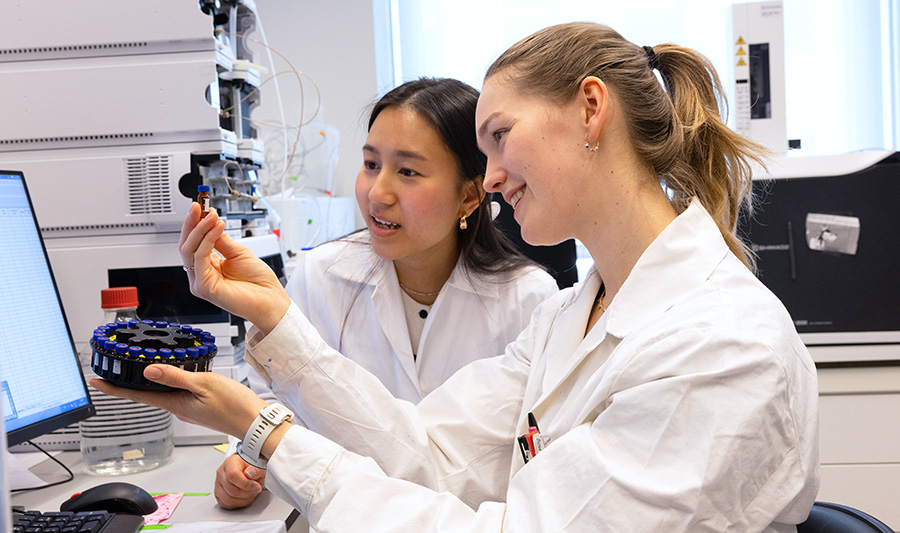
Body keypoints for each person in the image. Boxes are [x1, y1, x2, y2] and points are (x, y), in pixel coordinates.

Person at [94, 22, 820, 531]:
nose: (493, 177)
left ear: (591, 109)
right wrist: (281, 325)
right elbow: (429, 453)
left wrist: (263, 428)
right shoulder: (576, 313)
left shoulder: (719, 346)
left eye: (499, 137)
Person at [214, 77, 558, 509]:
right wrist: (243, 462)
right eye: (371, 164)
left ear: (469, 196)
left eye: (408, 171)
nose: (378, 193)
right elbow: (270, 397)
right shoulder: (323, 274)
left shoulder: (528, 299)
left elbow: (526, 454)